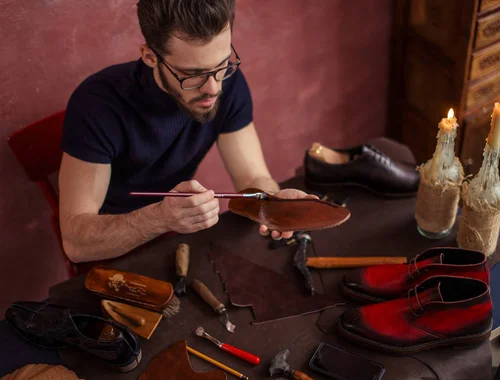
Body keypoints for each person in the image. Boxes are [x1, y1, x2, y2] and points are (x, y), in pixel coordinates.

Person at [58, 0, 314, 263]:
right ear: (150, 57)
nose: (213, 89)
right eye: (193, 74)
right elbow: (76, 244)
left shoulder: (228, 83)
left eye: (222, 65)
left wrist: (274, 203)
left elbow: (252, 175)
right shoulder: (98, 104)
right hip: (111, 243)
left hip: (174, 235)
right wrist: (160, 218)